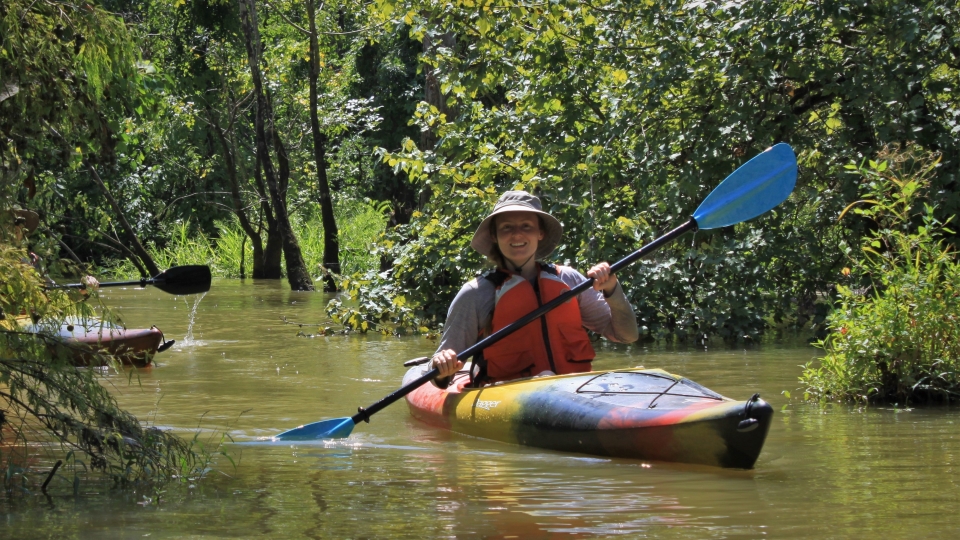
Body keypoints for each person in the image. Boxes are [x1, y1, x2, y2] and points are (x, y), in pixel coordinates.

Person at [429, 190, 639, 387]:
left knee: (548, 378)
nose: (517, 235)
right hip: (507, 395)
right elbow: (438, 376)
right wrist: (442, 364)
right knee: (545, 378)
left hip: (573, 389)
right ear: (495, 236)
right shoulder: (475, 293)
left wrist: (612, 289)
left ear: (540, 233)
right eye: (507, 227)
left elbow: (627, 336)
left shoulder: (570, 280)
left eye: (526, 226)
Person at [10, 209, 99, 293]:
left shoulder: (34, 260)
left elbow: (52, 293)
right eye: (8, 225)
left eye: (19, 224)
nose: (15, 230)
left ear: (24, 232)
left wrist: (84, 290)